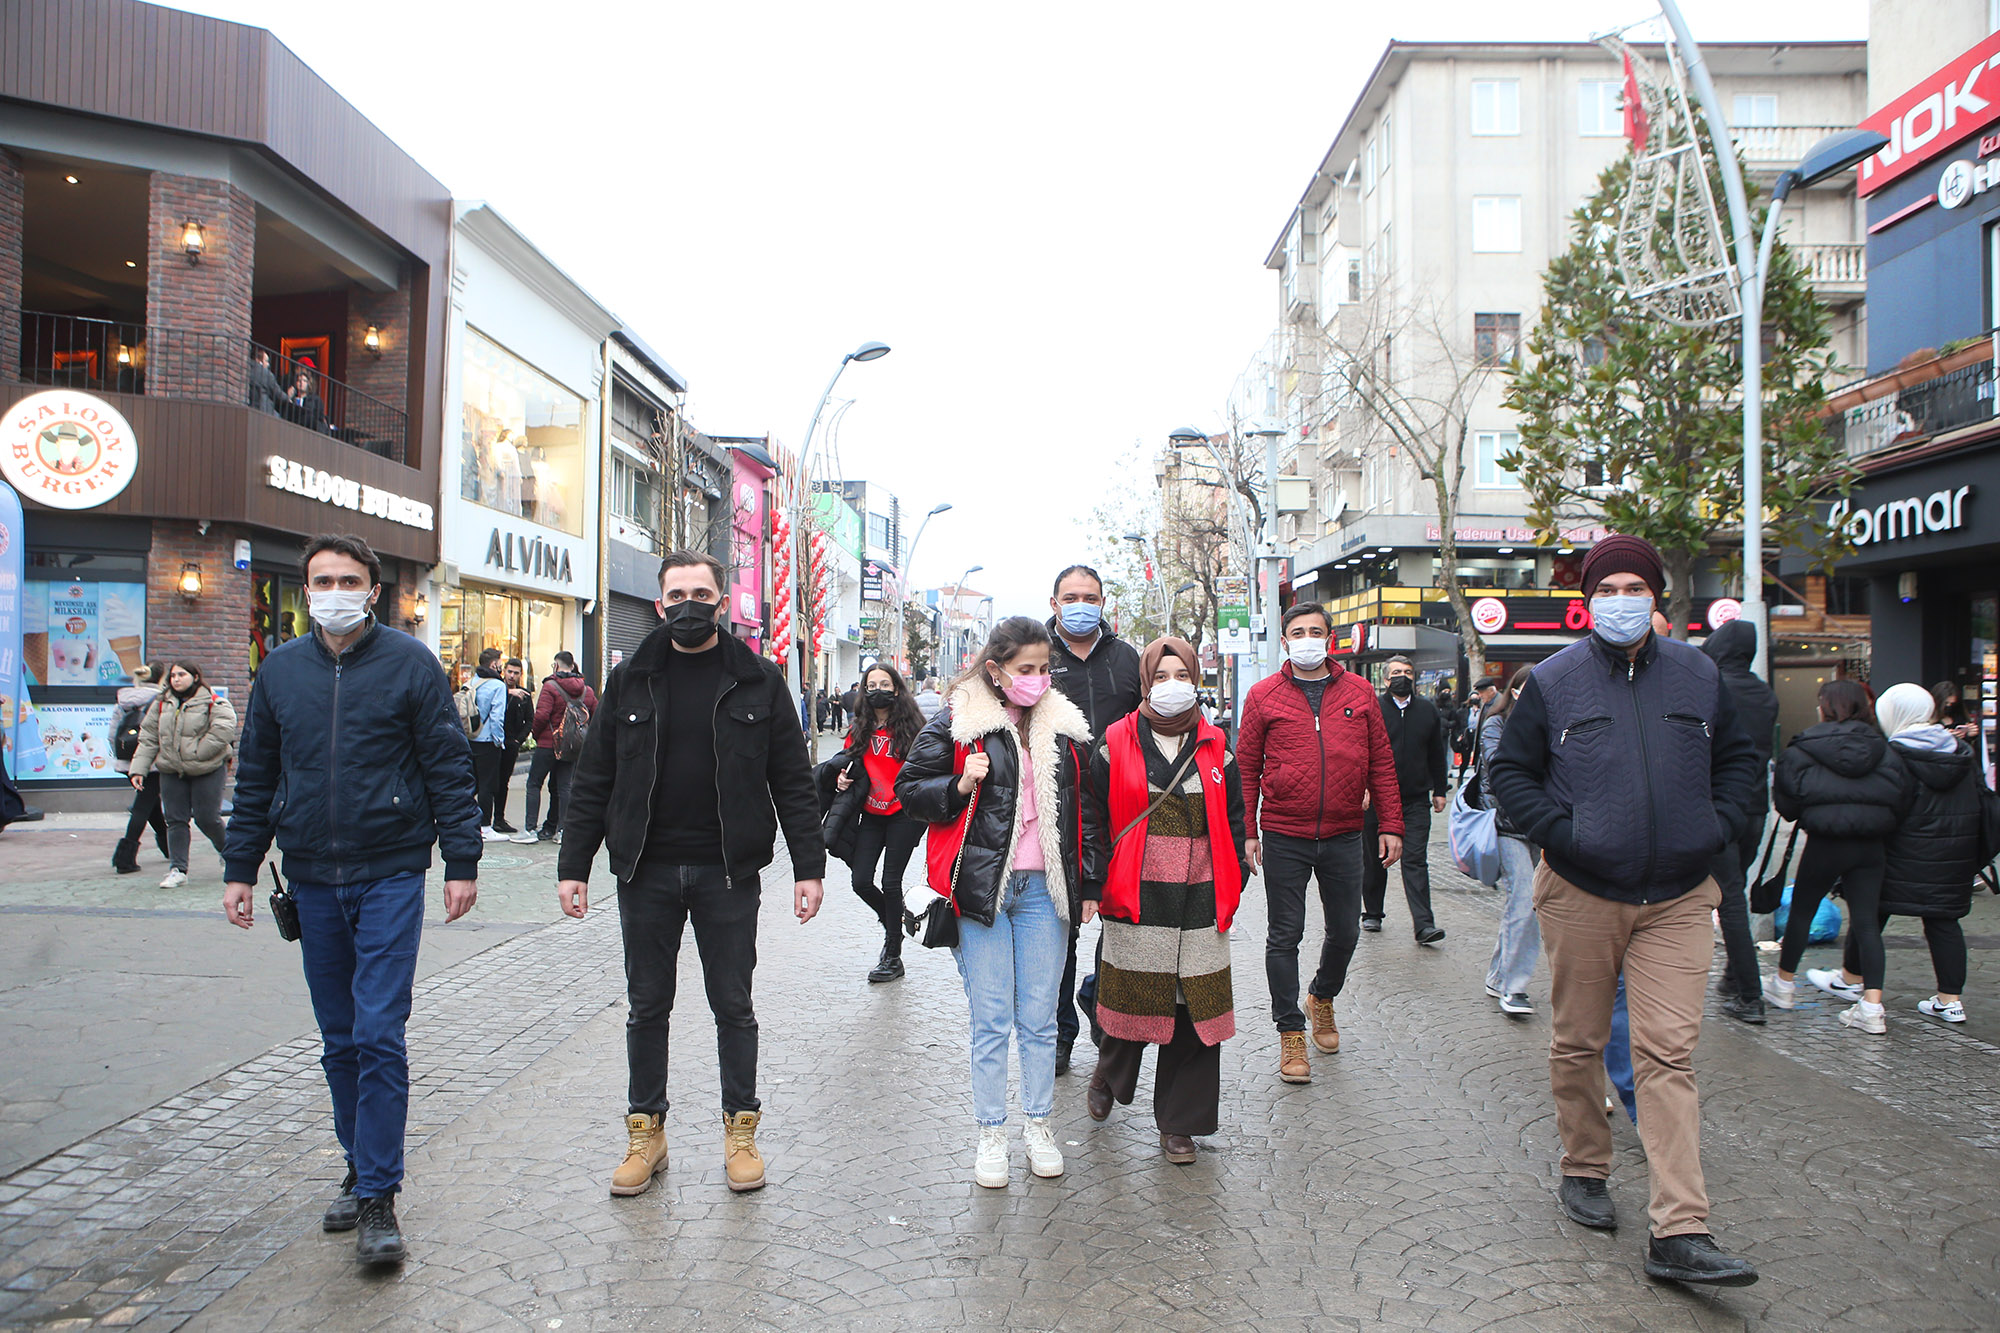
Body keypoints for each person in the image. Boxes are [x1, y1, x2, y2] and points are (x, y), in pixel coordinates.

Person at [1487, 533, 1762, 1286]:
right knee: (1577, 1041)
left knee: (1666, 1054)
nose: (1620, 602)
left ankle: (1681, 1228)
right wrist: (1563, 833)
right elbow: (1510, 769)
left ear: (1656, 596)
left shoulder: (1700, 675)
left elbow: (1740, 759)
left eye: (1634, 588)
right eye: (1607, 590)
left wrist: (1718, 824)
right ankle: (1584, 1164)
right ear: (1589, 601)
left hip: (1677, 896)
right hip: (1581, 891)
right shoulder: (1554, 679)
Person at [222, 532, 482, 1266]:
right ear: (306, 589)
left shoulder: (411, 664)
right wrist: (241, 866)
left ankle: (378, 1196)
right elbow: (255, 778)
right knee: (339, 1037)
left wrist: (460, 859)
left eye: (348, 578)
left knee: (377, 1030)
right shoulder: (279, 671)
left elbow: (447, 766)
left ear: (373, 589)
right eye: (320, 578)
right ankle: (358, 1161)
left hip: (393, 870)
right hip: (309, 874)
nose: (333, 589)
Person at [556, 550, 825, 1199]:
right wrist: (574, 864)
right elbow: (596, 775)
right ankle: (646, 1132)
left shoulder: (758, 677)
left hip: (727, 872)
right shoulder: (631, 678)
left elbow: (792, 780)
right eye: (676, 593)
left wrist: (808, 868)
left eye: (700, 592)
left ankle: (741, 1130)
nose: (688, 604)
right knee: (648, 1004)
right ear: (659, 603)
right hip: (643, 868)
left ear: (722, 599)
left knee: (732, 1005)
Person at [897, 616, 1092, 1189]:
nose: (1037, 679)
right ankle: (990, 1132)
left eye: (1044, 669)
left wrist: (1089, 886)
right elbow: (910, 790)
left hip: (1043, 891)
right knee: (991, 1020)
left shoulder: (1063, 725)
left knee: (1038, 1019)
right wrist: (958, 785)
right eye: (1025, 670)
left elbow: (1088, 813)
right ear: (995, 670)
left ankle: (1037, 1124)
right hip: (983, 892)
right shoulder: (960, 721)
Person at [1080, 636, 1246, 1164]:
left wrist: (1236, 874)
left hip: (1202, 895)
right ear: (1146, 683)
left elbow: (1237, 816)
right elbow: (1092, 815)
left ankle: (1180, 1124)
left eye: (1183, 674)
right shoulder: (1115, 740)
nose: (1173, 685)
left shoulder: (1218, 744)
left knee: (1197, 1013)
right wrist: (1093, 881)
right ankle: (1108, 1071)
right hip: (1138, 891)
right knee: (1133, 1000)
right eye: (1161, 676)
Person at [1236, 601, 1403, 1084]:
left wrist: (1391, 822)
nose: (1307, 638)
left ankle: (1322, 997)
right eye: (1297, 631)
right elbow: (1246, 770)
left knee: (1346, 931)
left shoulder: (1361, 691)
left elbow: (1382, 763)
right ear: (1284, 641)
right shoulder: (1263, 695)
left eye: (1316, 630)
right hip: (1285, 833)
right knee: (1284, 935)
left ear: (1330, 638)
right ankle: (1290, 1030)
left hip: (1346, 832)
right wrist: (1248, 831)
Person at [1817, 683, 1986, 1025]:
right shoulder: (1960, 753)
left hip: (1896, 855)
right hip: (1952, 856)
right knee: (1943, 921)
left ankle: (1851, 979)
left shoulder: (1890, 755)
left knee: (1871, 915)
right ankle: (1950, 1001)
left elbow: (1881, 808)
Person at [1766, 680, 1912, 1033]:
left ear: (1825, 707)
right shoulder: (1886, 750)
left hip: (1824, 842)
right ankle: (1872, 1006)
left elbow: (1786, 802)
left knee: (1802, 911)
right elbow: (1903, 797)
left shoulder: (1804, 747)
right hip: (1870, 845)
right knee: (1866, 922)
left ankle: (1784, 985)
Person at [1043, 563, 1143, 1075]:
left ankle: (1098, 994)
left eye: (1091, 596)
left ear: (1103, 602)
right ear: (1054, 601)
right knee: (1062, 931)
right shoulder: (1034, 658)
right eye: (1071, 596)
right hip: (1053, 813)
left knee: (1124, 920)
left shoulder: (1128, 660)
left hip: (1122, 814)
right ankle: (1060, 1034)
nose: (1082, 604)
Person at [1699, 619, 1780, 1025]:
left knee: (1728, 901)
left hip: (1718, 804)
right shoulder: (1765, 694)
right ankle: (1734, 979)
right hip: (1754, 808)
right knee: (1735, 894)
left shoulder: (1710, 686)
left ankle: (1750, 994)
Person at [830, 662, 927, 983]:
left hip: (903, 815)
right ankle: (894, 923)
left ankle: (892, 954)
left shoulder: (913, 729)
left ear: (897, 689)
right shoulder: (859, 728)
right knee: (860, 881)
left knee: (890, 882)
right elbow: (847, 766)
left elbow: (928, 767)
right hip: (870, 814)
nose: (878, 690)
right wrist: (842, 780)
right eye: (872, 685)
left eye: (885, 684)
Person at [1361, 655, 1449, 943]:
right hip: (1376, 799)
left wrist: (1439, 789)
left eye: (1408, 672)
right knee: (1375, 859)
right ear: (1386, 679)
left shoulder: (1427, 710)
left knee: (1415, 859)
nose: (1403, 677)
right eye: (1397, 672)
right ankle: (1372, 912)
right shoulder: (1372, 709)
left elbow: (1437, 751)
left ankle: (1424, 925)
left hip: (1414, 800)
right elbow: (1360, 751)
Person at [128, 661, 237, 889]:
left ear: (195, 677)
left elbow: (223, 730)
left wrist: (197, 753)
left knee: (207, 818)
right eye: (173, 675)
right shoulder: (161, 703)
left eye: (182, 674)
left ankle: (230, 854)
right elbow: (148, 736)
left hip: (206, 768)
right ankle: (178, 869)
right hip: (171, 769)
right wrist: (139, 769)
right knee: (175, 820)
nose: (176, 679)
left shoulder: (214, 702)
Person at [1479, 665, 1540, 1016]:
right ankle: (1514, 987)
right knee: (1525, 901)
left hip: (1542, 826)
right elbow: (1502, 767)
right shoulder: (1496, 724)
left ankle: (1498, 975)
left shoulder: (1551, 725)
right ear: (1513, 690)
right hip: (1506, 823)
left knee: (1523, 902)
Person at [518, 651, 595, 844]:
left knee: (534, 783)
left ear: (556, 665)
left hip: (547, 743)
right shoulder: (587, 691)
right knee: (565, 787)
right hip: (571, 746)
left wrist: (536, 735)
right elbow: (596, 715)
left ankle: (530, 830)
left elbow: (542, 715)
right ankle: (562, 831)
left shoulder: (550, 686)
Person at [110, 661, 171, 874]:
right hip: (152, 764)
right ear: (162, 678)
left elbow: (113, 734)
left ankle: (168, 847)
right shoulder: (161, 700)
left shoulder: (124, 701)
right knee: (143, 807)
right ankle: (124, 858)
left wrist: (123, 758)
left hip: (128, 763)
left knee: (150, 805)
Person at [484, 658, 533, 835]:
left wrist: (518, 741)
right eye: (509, 671)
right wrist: (509, 693)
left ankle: (499, 819)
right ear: (504, 671)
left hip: (510, 743)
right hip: (492, 742)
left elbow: (530, 720)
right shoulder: (496, 689)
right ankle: (485, 821)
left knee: (503, 782)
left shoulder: (525, 695)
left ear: (521, 674)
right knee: (489, 782)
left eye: (516, 673)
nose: (512, 675)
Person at [467, 647, 510, 840]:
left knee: (470, 782)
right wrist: (499, 740)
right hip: (487, 741)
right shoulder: (497, 686)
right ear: (494, 664)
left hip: (469, 738)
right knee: (487, 784)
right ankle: (485, 826)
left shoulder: (471, 682)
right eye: (500, 663)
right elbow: (497, 717)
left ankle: (464, 820)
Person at [1454, 676, 1499, 787]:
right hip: (1478, 745)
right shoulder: (1486, 704)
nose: (1480, 696)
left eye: (1481, 693)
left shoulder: (1499, 704)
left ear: (1490, 691)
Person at [287, 368, 329, 433]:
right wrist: (289, 398)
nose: (301, 383)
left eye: (304, 380)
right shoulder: (293, 399)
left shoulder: (315, 399)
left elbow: (318, 416)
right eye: (299, 380)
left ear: (308, 383)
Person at [247, 348, 283, 415]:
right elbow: (277, 393)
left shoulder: (247, 369)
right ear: (258, 361)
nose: (268, 364)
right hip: (264, 409)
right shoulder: (265, 373)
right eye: (266, 361)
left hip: (250, 407)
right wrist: (288, 398)